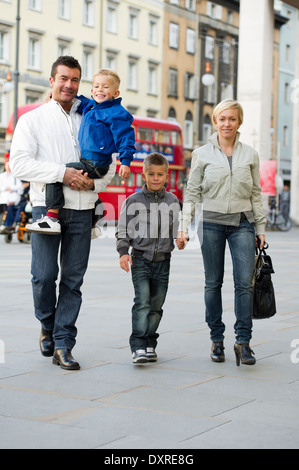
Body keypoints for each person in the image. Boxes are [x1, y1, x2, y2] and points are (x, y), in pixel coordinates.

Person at [9, 56, 116, 371]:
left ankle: (63, 343)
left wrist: (93, 181)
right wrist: (62, 173)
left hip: (83, 209)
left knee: (73, 279)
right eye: (63, 79)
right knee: (43, 276)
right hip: (47, 206)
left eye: (75, 80)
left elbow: (107, 162)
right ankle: (47, 323)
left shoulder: (92, 118)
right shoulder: (33, 119)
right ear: (52, 81)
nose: (69, 85)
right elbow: (19, 164)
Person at [177, 99, 267, 367]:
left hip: (242, 223)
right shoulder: (202, 154)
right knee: (213, 283)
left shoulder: (250, 154)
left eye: (232, 119)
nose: (227, 124)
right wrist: (183, 225)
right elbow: (192, 192)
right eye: (222, 119)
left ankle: (243, 342)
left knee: (244, 284)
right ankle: (217, 339)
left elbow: (255, 193)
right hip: (211, 223)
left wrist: (260, 227)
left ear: (239, 122)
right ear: (215, 122)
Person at [26, 68, 135, 236]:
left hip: (98, 164)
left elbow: (125, 139)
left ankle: (51, 218)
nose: (100, 90)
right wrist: (52, 98)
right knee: (64, 174)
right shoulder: (90, 106)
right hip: (88, 160)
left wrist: (126, 162)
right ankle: (96, 212)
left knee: (57, 174)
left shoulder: (116, 114)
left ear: (115, 92)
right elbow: (72, 99)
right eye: (96, 86)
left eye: (105, 87)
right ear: (92, 90)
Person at [116, 153, 180, 364]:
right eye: (151, 174)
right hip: (141, 259)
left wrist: (180, 240)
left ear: (166, 176)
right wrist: (123, 252)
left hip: (164, 260)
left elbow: (177, 230)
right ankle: (138, 346)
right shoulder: (133, 201)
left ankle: (150, 342)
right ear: (144, 175)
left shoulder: (172, 201)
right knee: (142, 302)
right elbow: (123, 229)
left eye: (160, 174)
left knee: (156, 305)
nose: (155, 178)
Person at [0, 158, 23, 234]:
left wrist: (11, 188)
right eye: (7, 165)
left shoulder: (15, 176)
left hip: (12, 198)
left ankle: (8, 225)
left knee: (10, 208)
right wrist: (5, 188)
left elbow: (20, 187)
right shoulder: (2, 176)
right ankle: (4, 224)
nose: (8, 167)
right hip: (3, 198)